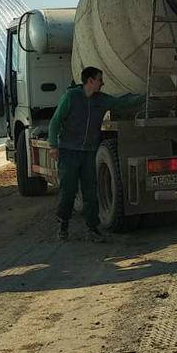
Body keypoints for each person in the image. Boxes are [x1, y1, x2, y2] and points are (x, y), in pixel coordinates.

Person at [48, 66, 144, 242]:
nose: (103, 83)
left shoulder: (101, 100)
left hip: (89, 152)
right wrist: (53, 146)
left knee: (90, 191)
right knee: (68, 190)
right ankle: (63, 224)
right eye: (100, 79)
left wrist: (145, 96)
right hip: (69, 152)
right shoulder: (71, 97)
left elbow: (122, 102)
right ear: (90, 81)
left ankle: (92, 228)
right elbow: (55, 122)